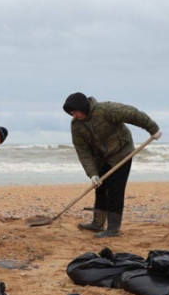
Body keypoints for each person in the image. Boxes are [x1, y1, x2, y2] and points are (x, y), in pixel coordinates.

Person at [63, 92, 161, 238]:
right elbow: (83, 151)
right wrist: (93, 174)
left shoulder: (106, 110)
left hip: (122, 152)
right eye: (71, 114)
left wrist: (153, 129)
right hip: (101, 157)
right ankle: (97, 223)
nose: (74, 116)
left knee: (115, 190)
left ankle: (113, 229)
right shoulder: (77, 126)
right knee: (100, 188)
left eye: (75, 112)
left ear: (82, 108)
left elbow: (132, 114)